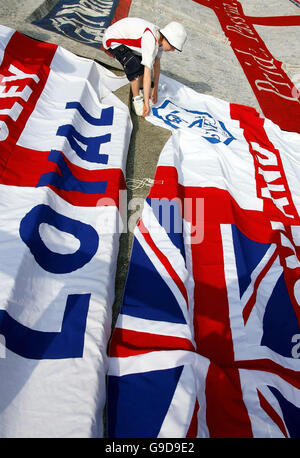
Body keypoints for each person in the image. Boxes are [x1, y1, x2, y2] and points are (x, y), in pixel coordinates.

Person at [103, 17, 187, 117]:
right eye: (173, 46)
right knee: (135, 67)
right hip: (112, 40)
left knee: (146, 63)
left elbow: (156, 64)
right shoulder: (151, 40)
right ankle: (136, 98)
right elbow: (147, 73)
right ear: (167, 39)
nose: (173, 50)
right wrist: (146, 103)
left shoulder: (160, 39)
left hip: (126, 42)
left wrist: (155, 88)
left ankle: (141, 88)